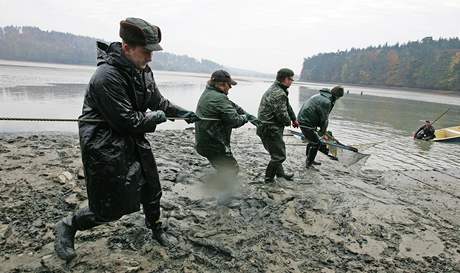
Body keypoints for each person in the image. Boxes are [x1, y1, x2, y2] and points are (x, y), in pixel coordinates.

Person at [54, 17, 198, 261]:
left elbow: (158, 102)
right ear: (127, 47)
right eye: (146, 52)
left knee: (152, 188)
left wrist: (181, 112)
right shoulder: (105, 77)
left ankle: (155, 228)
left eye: (152, 52)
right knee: (111, 207)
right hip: (105, 144)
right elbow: (128, 121)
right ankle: (68, 225)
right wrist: (155, 118)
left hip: (134, 140)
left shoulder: (143, 70)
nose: (151, 57)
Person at [195, 70, 257, 202]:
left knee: (223, 168)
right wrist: (245, 118)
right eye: (230, 84)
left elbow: (233, 106)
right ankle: (223, 200)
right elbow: (235, 121)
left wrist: (250, 117)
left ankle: (222, 191)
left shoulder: (210, 93)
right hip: (214, 143)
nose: (231, 87)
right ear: (222, 84)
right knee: (232, 169)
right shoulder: (218, 98)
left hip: (204, 141)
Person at [257, 68, 299, 183]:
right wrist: (288, 122)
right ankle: (268, 179)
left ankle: (280, 174)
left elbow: (287, 106)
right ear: (285, 79)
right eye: (291, 79)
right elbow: (281, 114)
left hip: (267, 127)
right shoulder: (279, 93)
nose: (292, 81)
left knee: (276, 153)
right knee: (279, 156)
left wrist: (294, 119)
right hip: (270, 128)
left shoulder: (279, 89)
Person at [297, 86, 344, 169]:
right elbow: (324, 119)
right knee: (316, 143)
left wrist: (320, 130)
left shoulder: (321, 96)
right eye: (339, 97)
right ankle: (309, 163)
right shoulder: (327, 102)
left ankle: (309, 159)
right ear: (337, 96)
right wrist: (322, 132)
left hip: (304, 119)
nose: (338, 99)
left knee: (312, 140)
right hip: (306, 121)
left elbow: (319, 115)